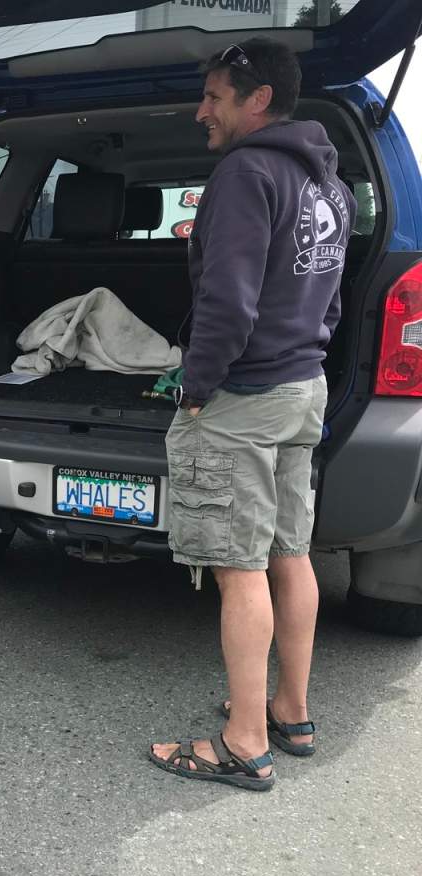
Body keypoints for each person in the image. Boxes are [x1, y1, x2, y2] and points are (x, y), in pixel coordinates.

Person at [148, 38, 354, 790]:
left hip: (244, 396)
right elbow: (331, 296)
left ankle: (242, 742)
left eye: (214, 96)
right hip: (304, 387)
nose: (201, 109)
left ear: (256, 99)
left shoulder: (244, 173)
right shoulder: (331, 186)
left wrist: (194, 385)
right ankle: (289, 712)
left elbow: (226, 303)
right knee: (289, 553)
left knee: (239, 572)